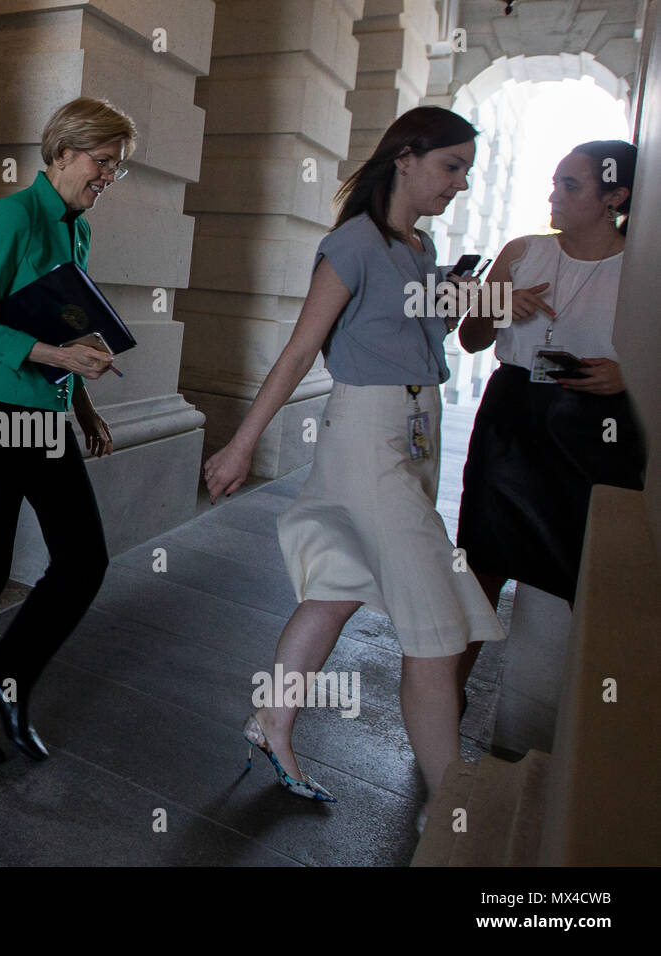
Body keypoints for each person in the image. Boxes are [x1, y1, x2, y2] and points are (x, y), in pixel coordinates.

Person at [202, 107, 505, 822]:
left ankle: (271, 723)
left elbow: (438, 346)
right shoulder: (354, 244)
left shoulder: (420, 248)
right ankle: (450, 803)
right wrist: (243, 442)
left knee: (337, 586)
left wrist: (466, 301)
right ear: (405, 157)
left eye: (467, 171)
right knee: (436, 627)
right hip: (369, 435)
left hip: (413, 430)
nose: (459, 183)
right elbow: (302, 349)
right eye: (450, 166)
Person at [0, 97, 133, 763]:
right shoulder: (7, 217)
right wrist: (59, 358)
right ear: (64, 152)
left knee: (84, 560)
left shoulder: (78, 230)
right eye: (103, 162)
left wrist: (84, 407)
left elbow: (64, 327)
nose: (107, 176)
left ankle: (7, 683)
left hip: (44, 417)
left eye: (116, 168)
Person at [455, 140, 646, 684]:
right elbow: (470, 339)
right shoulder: (523, 251)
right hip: (511, 418)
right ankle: (449, 698)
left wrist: (628, 377)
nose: (553, 195)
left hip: (591, 428)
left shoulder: (641, 269)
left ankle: (590, 718)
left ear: (616, 196)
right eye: (555, 182)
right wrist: (495, 306)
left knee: (584, 567)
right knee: (481, 560)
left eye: (570, 185)